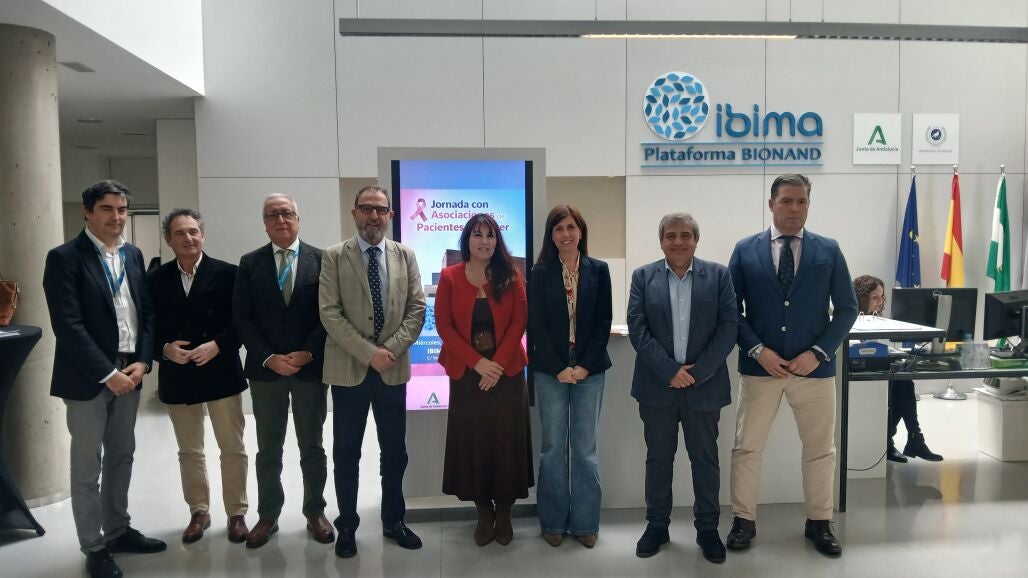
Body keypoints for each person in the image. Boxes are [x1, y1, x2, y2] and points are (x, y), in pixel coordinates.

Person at [727, 174, 858, 557]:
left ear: (808, 205)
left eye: (801, 201)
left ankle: (819, 522)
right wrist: (757, 350)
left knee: (820, 450)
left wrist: (818, 352)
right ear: (771, 204)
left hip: (813, 371)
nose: (794, 209)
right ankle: (743, 521)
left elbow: (847, 308)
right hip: (760, 370)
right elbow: (730, 310)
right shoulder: (745, 250)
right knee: (747, 448)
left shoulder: (828, 250)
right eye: (786, 201)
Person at [42, 180, 166, 578]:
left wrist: (143, 362)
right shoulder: (64, 258)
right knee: (86, 466)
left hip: (130, 372)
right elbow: (68, 325)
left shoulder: (132, 254)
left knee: (121, 456)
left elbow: (146, 313)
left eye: (122, 209)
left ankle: (117, 530)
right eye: (108, 209)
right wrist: (107, 373)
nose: (117, 217)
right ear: (88, 211)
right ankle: (93, 547)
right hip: (88, 378)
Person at [319, 186, 427, 557]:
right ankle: (347, 525)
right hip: (348, 370)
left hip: (392, 371)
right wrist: (370, 354)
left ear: (391, 215)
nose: (373, 216)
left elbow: (417, 308)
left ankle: (394, 520)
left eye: (381, 209)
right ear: (354, 213)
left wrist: (389, 351)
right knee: (346, 452)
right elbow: (329, 312)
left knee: (394, 451)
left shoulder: (405, 255)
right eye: (366, 208)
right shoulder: (335, 256)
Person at [627, 213, 737, 563]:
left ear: (696, 240)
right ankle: (657, 526)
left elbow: (729, 327)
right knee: (658, 458)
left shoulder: (718, 276)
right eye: (671, 235)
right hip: (657, 386)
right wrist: (669, 371)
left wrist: (696, 373)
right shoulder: (643, 277)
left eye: (685, 235)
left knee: (705, 459)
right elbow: (637, 328)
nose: (678, 241)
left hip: (704, 387)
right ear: (661, 241)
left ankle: (707, 529)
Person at [233, 194, 332, 549]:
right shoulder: (250, 263)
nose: (281, 219)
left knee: (312, 446)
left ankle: (315, 512)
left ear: (298, 219)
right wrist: (268, 357)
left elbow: (329, 313)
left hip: (309, 369)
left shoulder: (322, 260)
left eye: (287, 213)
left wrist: (308, 352)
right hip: (267, 372)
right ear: (265, 223)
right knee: (268, 449)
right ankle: (268, 515)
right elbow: (242, 316)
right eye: (272, 214)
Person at [147, 208, 249, 544]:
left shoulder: (229, 274)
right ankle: (199, 512)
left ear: (202, 235)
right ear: (168, 240)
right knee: (190, 450)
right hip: (178, 374)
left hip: (220, 370)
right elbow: (147, 327)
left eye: (193, 231)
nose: (188, 238)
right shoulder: (154, 279)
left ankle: (237, 513)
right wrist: (164, 349)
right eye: (180, 233)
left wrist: (218, 345)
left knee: (232, 447)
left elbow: (242, 322)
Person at [435, 213, 532, 546]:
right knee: (473, 442)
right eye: (478, 234)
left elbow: (519, 322)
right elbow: (444, 326)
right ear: (467, 239)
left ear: (497, 241)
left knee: (505, 442)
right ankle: (483, 511)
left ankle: (504, 511)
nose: (484, 241)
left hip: (507, 374)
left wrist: (496, 365)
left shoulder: (511, 276)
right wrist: (477, 363)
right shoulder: (449, 277)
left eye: (490, 235)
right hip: (467, 374)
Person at [528, 205, 612, 549]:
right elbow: (536, 325)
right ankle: (552, 521)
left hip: (590, 371)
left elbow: (603, 322)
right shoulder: (539, 273)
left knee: (585, 450)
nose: (566, 234)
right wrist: (558, 367)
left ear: (581, 232)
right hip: (552, 371)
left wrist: (585, 366)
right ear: (551, 235)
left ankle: (585, 523)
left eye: (571, 227)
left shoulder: (599, 270)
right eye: (559, 228)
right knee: (552, 449)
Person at [852, 274, 943, 463]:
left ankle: (903, 439)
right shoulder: (849, 316)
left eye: (881, 297)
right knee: (902, 387)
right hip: (852, 374)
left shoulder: (874, 319)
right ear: (861, 297)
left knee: (903, 383)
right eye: (875, 297)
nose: (880, 302)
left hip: (871, 368)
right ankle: (907, 440)